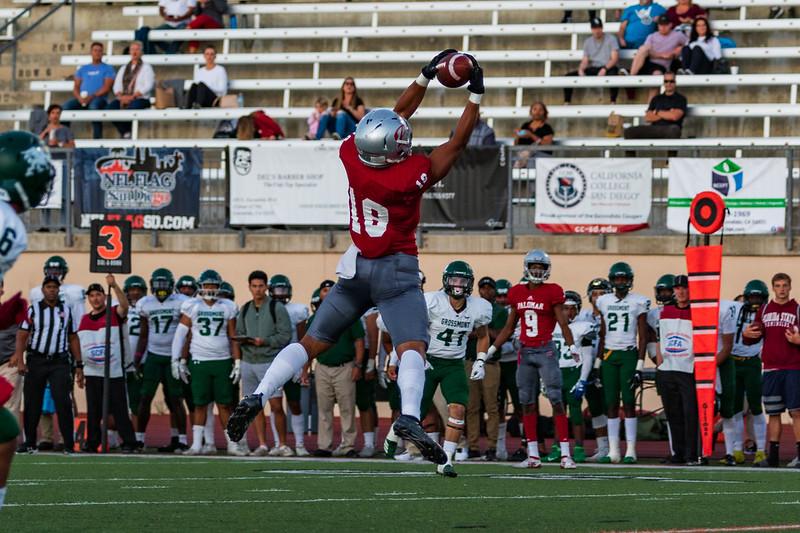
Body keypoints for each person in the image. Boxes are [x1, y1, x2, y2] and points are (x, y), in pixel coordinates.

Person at [227, 49, 485, 467]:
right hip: (397, 270)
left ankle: (260, 393)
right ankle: (408, 417)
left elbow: (393, 117)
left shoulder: (351, 155)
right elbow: (457, 142)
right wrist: (475, 92)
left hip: (356, 267)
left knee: (308, 342)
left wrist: (423, 76)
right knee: (414, 347)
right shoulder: (407, 175)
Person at [393, 261, 491, 476]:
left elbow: (483, 336)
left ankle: (445, 460)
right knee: (415, 411)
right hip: (428, 360)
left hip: (454, 364)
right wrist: (399, 358)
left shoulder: (478, 307)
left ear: (469, 283)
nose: (458, 285)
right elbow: (411, 328)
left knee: (458, 409)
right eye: (454, 280)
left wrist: (481, 360)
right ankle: (392, 435)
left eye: (462, 280)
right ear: (446, 281)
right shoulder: (431, 301)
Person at [486, 250, 580, 470]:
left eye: (541, 266)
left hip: (546, 351)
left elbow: (563, 323)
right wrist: (490, 350)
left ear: (546, 269)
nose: (537, 270)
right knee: (526, 403)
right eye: (534, 266)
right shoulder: (516, 292)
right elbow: (509, 327)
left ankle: (566, 454)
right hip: (525, 352)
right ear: (527, 267)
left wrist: (571, 346)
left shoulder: (553, 291)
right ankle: (533, 455)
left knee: (556, 400)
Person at [172, 269, 244, 456]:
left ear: (219, 287)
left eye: (213, 285)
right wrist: (177, 360)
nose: (210, 289)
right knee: (200, 404)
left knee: (225, 405)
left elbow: (233, 336)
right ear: (200, 287)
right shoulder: (192, 305)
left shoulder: (227, 306)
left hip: (222, 360)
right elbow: (181, 335)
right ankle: (197, 444)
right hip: (199, 361)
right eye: (207, 285)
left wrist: (237, 362)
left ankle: (232, 444)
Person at [11, 275, 82, 454]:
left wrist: (79, 364)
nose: (52, 290)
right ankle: (30, 443)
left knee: (63, 401)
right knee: (32, 402)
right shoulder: (33, 309)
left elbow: (73, 337)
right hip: (37, 360)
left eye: (55, 287)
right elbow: (21, 335)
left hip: (59, 360)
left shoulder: (66, 310)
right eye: (48, 287)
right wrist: (20, 360)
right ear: (43, 290)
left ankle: (68, 444)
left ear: (59, 290)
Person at [743, 273, 800, 468]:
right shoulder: (765, 309)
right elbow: (754, 337)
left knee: (796, 412)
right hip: (771, 369)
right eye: (778, 285)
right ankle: (773, 456)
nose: (782, 289)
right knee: (773, 413)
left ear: (790, 287)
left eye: (785, 285)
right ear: (773, 288)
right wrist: (746, 335)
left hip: (794, 368)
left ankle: (799, 456)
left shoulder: (798, 309)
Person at [595, 262, 650, 464]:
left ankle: (631, 450)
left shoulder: (639, 302)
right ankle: (613, 450)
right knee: (610, 403)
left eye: (624, 279)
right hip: (609, 355)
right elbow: (602, 334)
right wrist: (597, 365)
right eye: (617, 279)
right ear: (611, 280)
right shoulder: (603, 300)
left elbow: (643, 337)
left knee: (628, 402)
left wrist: (639, 366)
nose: (620, 282)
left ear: (630, 280)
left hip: (628, 354)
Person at [77, 278, 138, 453]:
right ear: (88, 299)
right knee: (93, 411)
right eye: (92, 296)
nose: (95, 299)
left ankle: (129, 442)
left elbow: (125, 306)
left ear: (104, 296)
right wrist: (79, 369)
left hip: (114, 371)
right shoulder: (83, 320)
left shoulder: (114, 313)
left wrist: (114, 286)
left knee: (119, 410)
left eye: (98, 295)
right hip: (92, 371)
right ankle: (92, 442)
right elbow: (79, 345)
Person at [235, 270, 292, 456]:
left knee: (276, 405)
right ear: (249, 287)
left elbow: (285, 335)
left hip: (270, 362)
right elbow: (239, 333)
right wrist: (245, 342)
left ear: (266, 287)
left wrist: (265, 341)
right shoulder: (244, 309)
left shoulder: (277, 308)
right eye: (254, 286)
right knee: (254, 406)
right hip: (248, 362)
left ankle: (282, 444)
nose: (258, 289)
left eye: (261, 286)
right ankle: (262, 444)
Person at [134, 269, 190, 452]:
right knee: (145, 397)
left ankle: (180, 439)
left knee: (175, 399)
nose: (161, 289)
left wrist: (182, 357)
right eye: (158, 285)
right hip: (153, 356)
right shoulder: (145, 303)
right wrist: (137, 357)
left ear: (171, 285)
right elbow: (143, 334)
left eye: (164, 285)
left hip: (172, 357)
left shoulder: (181, 302)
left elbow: (186, 333)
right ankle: (139, 438)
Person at [546, 291, 598, 464]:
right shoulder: (551, 326)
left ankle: (579, 448)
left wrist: (582, 379)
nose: (567, 312)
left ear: (577, 310)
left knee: (575, 412)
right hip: (555, 372)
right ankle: (557, 447)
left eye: (571, 309)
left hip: (573, 372)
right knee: (557, 413)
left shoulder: (583, 327)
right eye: (564, 308)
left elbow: (588, 356)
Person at [655, 274, 699, 464]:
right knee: (673, 414)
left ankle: (692, 454)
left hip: (688, 369)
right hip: (667, 369)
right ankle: (678, 453)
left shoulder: (697, 312)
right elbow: (660, 339)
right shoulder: (665, 311)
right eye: (678, 288)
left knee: (690, 414)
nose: (681, 291)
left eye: (684, 288)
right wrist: (659, 364)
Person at [309, 307, 364, 458]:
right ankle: (324, 445)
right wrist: (305, 368)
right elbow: (309, 342)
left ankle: (348, 445)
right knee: (324, 408)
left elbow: (359, 340)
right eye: (324, 291)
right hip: (322, 366)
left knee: (347, 407)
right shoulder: (316, 318)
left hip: (344, 366)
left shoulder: (350, 316)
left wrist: (358, 365)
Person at [267, 274, 310, 456]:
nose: (281, 293)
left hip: (291, 362)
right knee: (275, 406)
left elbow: (302, 339)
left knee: (295, 404)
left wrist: (302, 366)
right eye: (278, 290)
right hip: (271, 362)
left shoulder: (297, 310)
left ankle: (300, 444)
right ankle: (279, 443)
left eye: (283, 290)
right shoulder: (266, 309)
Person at [464, 276, 503, 461]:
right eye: (483, 288)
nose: (486, 292)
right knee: (471, 406)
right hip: (470, 360)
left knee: (491, 406)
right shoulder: (472, 307)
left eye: (489, 288)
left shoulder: (499, 311)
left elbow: (499, 334)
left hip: (490, 362)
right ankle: (472, 446)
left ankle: (492, 446)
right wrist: (482, 332)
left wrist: (480, 332)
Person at [731, 280, 769, 466]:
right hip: (734, 361)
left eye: (758, 297)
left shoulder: (766, 314)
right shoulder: (735, 310)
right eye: (751, 297)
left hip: (753, 362)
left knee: (755, 406)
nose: (754, 301)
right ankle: (737, 450)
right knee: (736, 408)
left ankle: (761, 450)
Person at [576, 278, 613, 462]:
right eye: (595, 294)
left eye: (602, 294)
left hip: (608, 362)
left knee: (610, 404)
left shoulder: (611, 314)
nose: (598, 298)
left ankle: (613, 447)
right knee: (595, 406)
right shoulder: (583, 316)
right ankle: (603, 447)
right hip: (588, 364)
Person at [62, 42, 115, 139]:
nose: (97, 53)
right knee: (65, 107)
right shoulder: (83, 69)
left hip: (99, 98)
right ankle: (65, 138)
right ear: (91, 52)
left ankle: (97, 140)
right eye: (95, 50)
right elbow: (76, 86)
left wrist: (91, 96)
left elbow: (106, 87)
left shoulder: (108, 68)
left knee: (94, 107)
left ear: (102, 53)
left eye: (100, 51)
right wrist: (79, 98)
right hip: (82, 99)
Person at [493, 278, 520, 461]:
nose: (502, 300)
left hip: (514, 362)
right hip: (497, 363)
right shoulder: (491, 312)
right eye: (499, 296)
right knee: (498, 406)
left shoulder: (516, 311)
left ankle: (527, 444)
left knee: (520, 404)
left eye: (505, 296)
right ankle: (500, 447)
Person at [564, 19, 620, 105]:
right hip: (594, 67)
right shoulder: (588, 41)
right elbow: (585, 60)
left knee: (614, 75)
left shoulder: (611, 39)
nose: (597, 30)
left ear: (602, 28)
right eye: (594, 28)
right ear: (591, 29)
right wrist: (581, 69)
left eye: (598, 28)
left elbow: (614, 59)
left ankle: (613, 101)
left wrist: (605, 68)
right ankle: (567, 102)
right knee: (568, 77)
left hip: (608, 66)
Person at [107, 41, 155, 139]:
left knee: (132, 108)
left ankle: (127, 133)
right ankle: (125, 131)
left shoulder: (146, 67)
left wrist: (132, 96)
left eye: (137, 49)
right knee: (110, 109)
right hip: (123, 98)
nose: (134, 52)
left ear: (141, 52)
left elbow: (148, 85)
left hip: (141, 98)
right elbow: (117, 85)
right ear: (129, 52)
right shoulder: (124, 68)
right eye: (132, 49)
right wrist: (121, 96)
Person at [629, 15, 687, 88]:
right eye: (661, 25)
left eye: (665, 25)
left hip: (662, 66)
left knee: (657, 76)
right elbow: (646, 51)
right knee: (643, 48)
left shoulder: (678, 35)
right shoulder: (652, 36)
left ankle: (652, 98)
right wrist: (662, 55)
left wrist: (680, 49)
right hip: (647, 63)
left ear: (670, 25)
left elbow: (689, 45)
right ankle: (631, 77)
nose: (663, 27)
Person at [623, 72, 687, 139]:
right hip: (654, 129)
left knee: (674, 130)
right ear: (663, 82)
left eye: (671, 81)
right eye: (666, 81)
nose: (669, 83)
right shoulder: (656, 98)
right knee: (629, 131)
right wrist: (668, 113)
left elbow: (674, 116)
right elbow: (648, 118)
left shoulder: (680, 99)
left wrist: (656, 112)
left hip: (670, 129)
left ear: (675, 82)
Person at [122, 275, 146, 446]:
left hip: (140, 360)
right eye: (132, 290)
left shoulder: (147, 307)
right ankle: (113, 436)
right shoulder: (119, 308)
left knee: (136, 401)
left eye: (138, 290)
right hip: (120, 360)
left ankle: (138, 438)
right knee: (116, 400)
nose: (135, 293)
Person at [0, 281, 26, 430]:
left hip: (7, 365)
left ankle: (10, 443)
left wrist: (18, 353)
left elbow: (25, 334)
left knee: (9, 406)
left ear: (2, 290)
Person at [29, 256, 86, 324]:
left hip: (66, 330)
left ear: (64, 272)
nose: (53, 273)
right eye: (51, 271)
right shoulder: (36, 292)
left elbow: (79, 318)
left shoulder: (74, 291)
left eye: (57, 271)